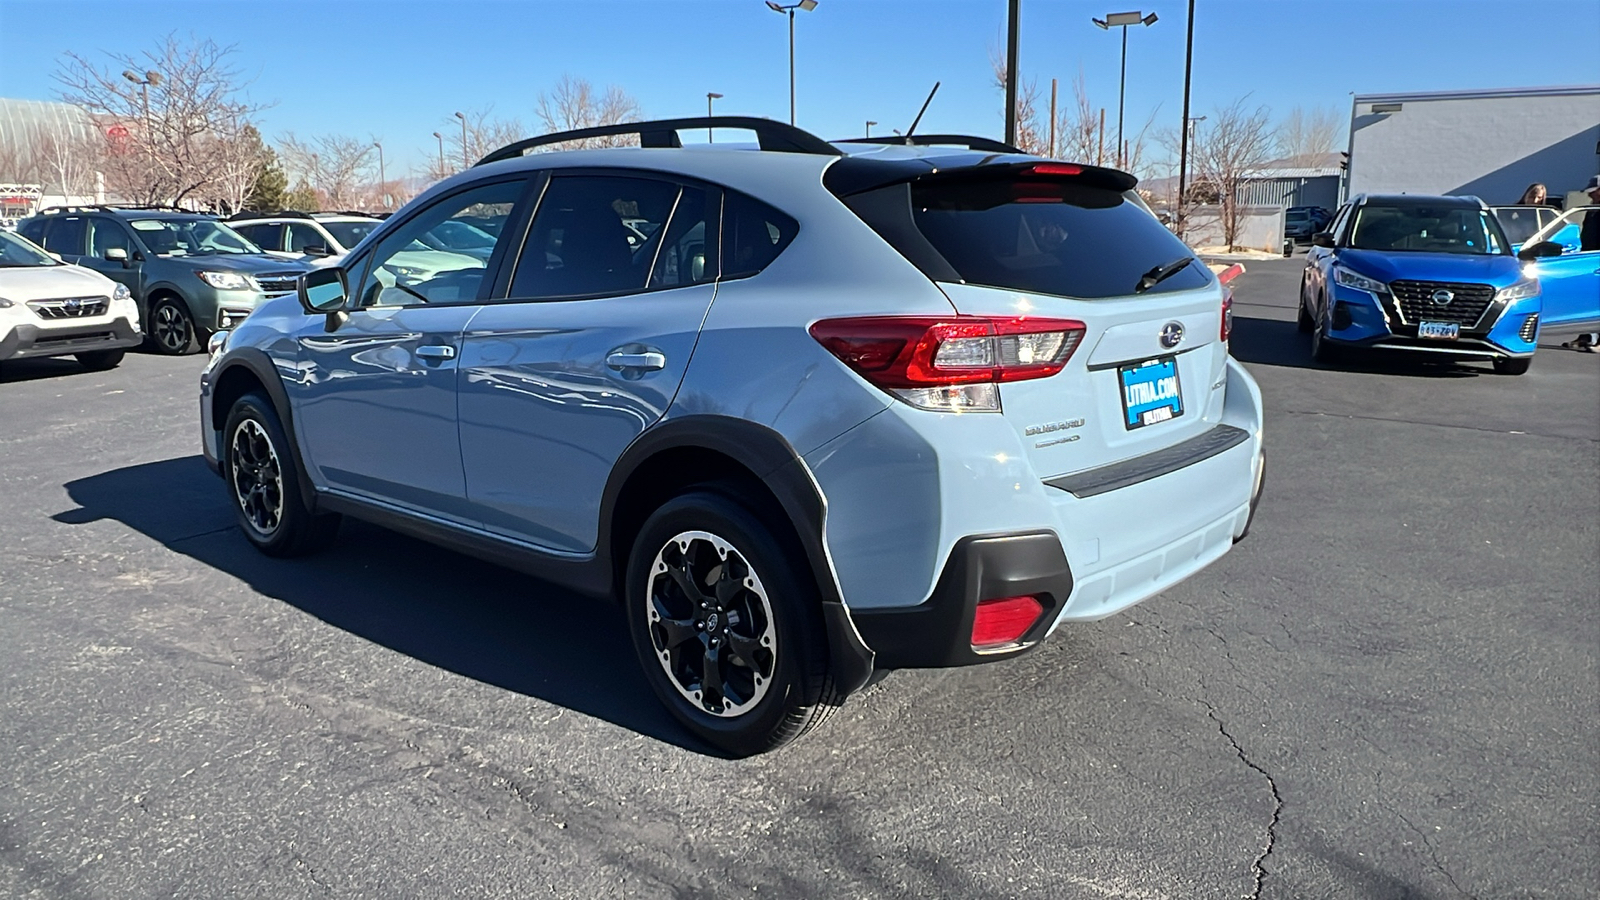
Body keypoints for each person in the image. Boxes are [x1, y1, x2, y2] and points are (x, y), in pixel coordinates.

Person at [1560, 175, 1600, 352]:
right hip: (1590, 263)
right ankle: (1584, 337)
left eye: (1594, 193)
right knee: (1588, 300)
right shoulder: (1592, 211)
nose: (1591, 196)